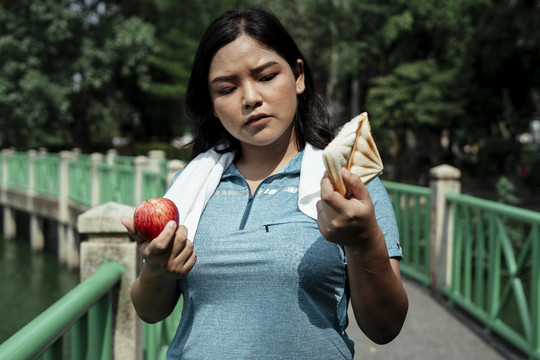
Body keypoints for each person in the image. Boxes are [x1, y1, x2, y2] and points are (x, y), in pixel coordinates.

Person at [122, 6, 408, 359]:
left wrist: (364, 241)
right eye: (227, 88)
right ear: (212, 104)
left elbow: (386, 327)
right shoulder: (191, 186)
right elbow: (149, 311)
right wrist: (157, 270)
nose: (251, 98)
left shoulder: (346, 183)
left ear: (298, 76)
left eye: (267, 76)